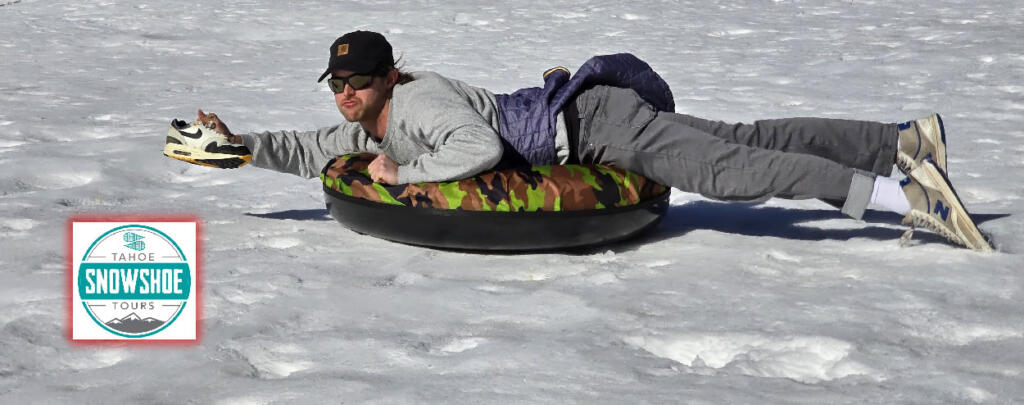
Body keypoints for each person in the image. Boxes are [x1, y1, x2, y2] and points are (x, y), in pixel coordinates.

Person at [167, 30, 992, 251]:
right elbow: (317, 147)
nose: (346, 96)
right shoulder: (376, 113)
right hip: (589, 116)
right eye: (338, 86)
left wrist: (399, 167)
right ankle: (898, 141)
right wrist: (242, 145)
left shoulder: (418, 107)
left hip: (594, 130)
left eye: (358, 82)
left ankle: (907, 198)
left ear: (389, 76)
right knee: (746, 135)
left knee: (733, 169)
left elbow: (477, 154)